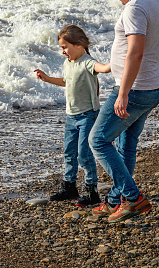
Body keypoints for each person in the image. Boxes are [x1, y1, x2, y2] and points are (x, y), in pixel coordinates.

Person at [88, 0, 159, 223]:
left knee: (98, 140)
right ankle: (115, 201)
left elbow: (136, 51)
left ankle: (133, 198)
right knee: (126, 145)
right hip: (153, 86)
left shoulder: (134, 7)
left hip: (135, 89)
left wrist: (123, 93)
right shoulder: (154, 1)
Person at [35, 24, 111, 207]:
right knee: (69, 153)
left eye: (64, 47)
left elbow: (104, 68)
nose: (62, 52)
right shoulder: (68, 63)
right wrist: (47, 78)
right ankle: (70, 186)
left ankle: (91, 190)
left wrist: (117, 61)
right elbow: (66, 81)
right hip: (71, 116)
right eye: (61, 48)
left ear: (79, 45)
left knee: (84, 154)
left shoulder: (87, 62)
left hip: (87, 116)